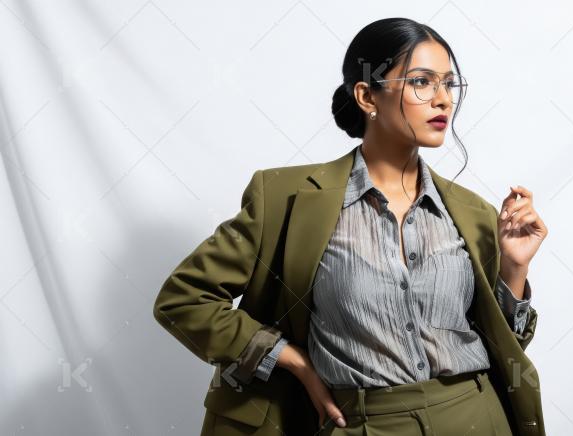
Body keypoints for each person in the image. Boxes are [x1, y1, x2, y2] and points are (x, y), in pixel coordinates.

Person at [153, 17, 548, 436]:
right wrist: (292, 360)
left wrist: (514, 270)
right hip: (360, 422)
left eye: (449, 84)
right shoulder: (284, 198)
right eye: (422, 82)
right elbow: (183, 301)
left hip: (476, 418)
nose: (443, 100)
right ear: (366, 95)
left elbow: (505, 347)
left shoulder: (474, 212)